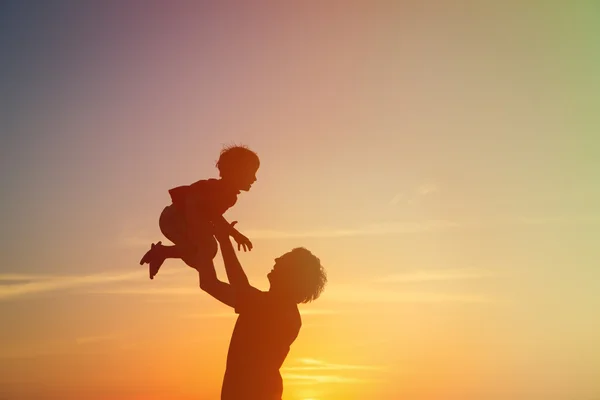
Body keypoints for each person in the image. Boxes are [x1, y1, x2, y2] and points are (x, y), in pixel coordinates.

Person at [189, 221, 327, 400]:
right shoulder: (264, 303)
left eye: (283, 260)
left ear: (292, 273)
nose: (276, 260)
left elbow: (239, 286)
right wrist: (200, 248)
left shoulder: (280, 309)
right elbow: (209, 283)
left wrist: (223, 240)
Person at [139, 144, 259, 279]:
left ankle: (163, 253)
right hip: (173, 218)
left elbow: (213, 216)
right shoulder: (216, 189)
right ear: (236, 172)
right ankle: (162, 253)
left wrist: (229, 233)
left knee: (207, 249)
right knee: (205, 248)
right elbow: (205, 210)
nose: (255, 179)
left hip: (179, 219)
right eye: (251, 173)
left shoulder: (229, 196)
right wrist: (233, 234)